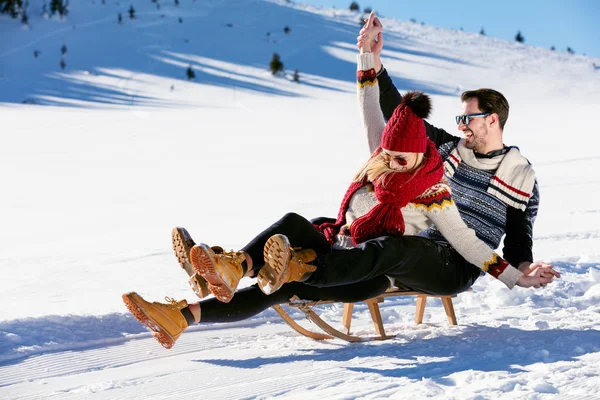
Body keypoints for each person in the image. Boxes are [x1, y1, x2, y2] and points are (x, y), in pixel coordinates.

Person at [122, 13, 558, 349]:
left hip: (454, 264)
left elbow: (517, 240)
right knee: (303, 225)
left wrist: (523, 270)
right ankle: (217, 282)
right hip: (404, 235)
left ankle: (281, 266)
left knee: (389, 248)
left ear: (494, 120)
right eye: (459, 116)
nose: (461, 124)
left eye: (470, 117)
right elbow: (397, 117)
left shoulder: (518, 175)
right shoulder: (442, 150)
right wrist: (371, 57)